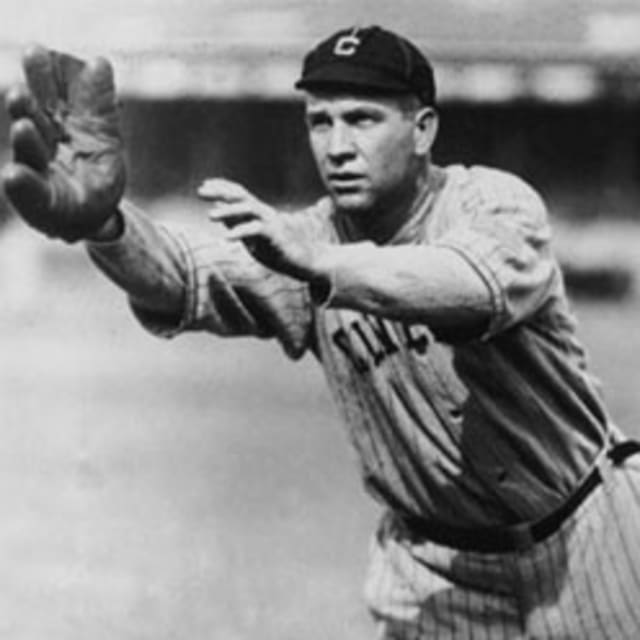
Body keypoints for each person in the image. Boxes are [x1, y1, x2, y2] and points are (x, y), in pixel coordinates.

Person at [3, 24, 640, 639]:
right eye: (320, 121)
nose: (336, 145)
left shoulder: (493, 204)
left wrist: (323, 266)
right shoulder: (305, 241)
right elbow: (185, 278)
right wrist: (106, 224)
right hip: (437, 572)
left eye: (362, 118)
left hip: (585, 538)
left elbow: (468, 286)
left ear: (422, 131)